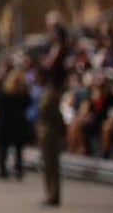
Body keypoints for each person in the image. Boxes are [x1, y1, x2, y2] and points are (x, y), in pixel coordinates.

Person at [37, 12, 68, 207]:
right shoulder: (52, 48)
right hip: (50, 99)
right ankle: (50, 194)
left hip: (53, 100)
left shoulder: (60, 48)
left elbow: (50, 67)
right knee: (47, 161)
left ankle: (53, 195)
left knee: (51, 159)